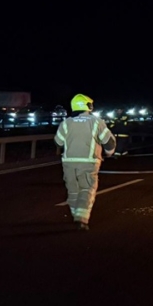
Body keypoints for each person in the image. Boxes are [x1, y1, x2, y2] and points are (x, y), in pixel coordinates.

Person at [54, 93, 115, 230]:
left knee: (73, 190)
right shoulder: (96, 122)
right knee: (87, 189)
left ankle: (76, 215)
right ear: (88, 106)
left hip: (68, 162)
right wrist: (110, 153)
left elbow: (58, 141)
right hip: (88, 162)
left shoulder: (66, 122)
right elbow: (109, 141)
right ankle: (81, 219)